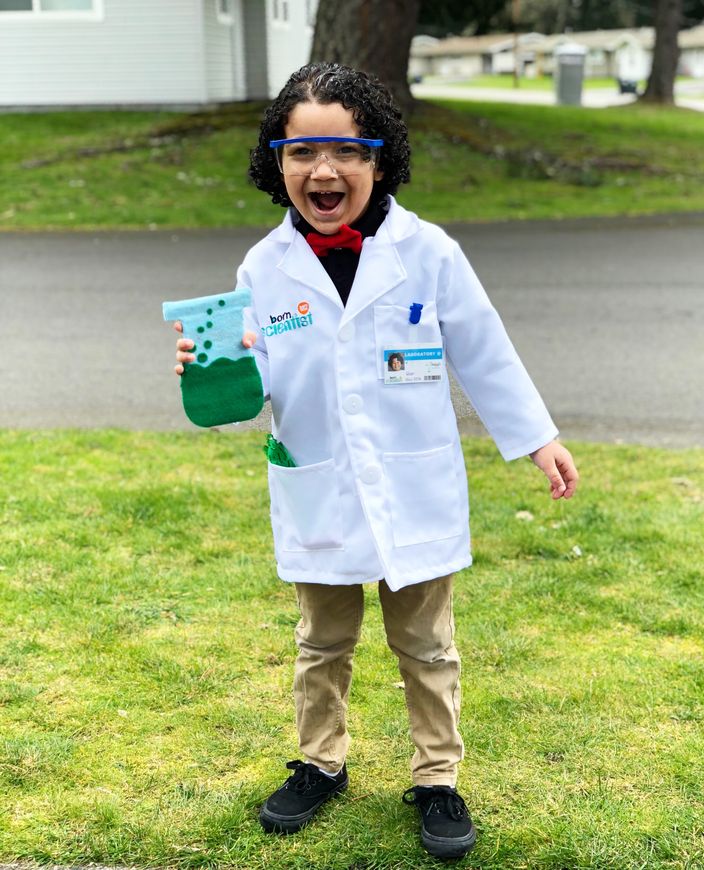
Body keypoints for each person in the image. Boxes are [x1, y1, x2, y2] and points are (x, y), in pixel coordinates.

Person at [174, 62, 579, 860]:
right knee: (321, 642)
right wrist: (208, 367)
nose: (323, 170)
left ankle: (437, 778)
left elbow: (483, 350)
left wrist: (538, 436)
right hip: (318, 483)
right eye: (301, 152)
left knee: (426, 644)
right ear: (276, 163)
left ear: (379, 158)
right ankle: (320, 764)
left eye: (346, 150)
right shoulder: (262, 269)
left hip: (410, 482)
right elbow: (247, 388)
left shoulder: (425, 252)